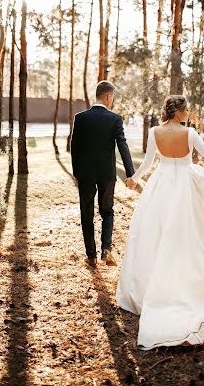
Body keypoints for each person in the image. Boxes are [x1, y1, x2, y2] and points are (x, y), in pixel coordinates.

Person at [116, 94, 204, 350]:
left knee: (154, 236)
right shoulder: (190, 134)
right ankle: (182, 286)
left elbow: (148, 163)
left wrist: (135, 179)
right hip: (182, 188)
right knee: (186, 237)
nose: (189, 113)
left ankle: (149, 289)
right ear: (178, 112)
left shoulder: (155, 131)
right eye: (187, 109)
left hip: (159, 186)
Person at [71, 81, 134, 268]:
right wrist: (130, 173)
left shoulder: (80, 118)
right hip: (107, 174)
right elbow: (123, 145)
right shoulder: (114, 119)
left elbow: (74, 148)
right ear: (108, 96)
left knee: (86, 213)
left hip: (85, 174)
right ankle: (106, 249)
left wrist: (77, 172)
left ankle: (91, 257)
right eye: (112, 97)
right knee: (107, 211)